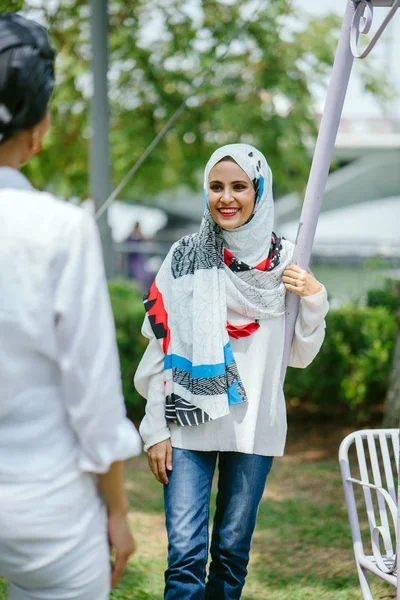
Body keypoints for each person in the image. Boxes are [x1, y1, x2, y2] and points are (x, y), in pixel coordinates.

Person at [134, 143, 329, 599]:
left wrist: (315, 299)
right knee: (183, 559)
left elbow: (297, 356)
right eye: (216, 186)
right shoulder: (184, 256)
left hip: (252, 426)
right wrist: (155, 429)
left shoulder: (287, 264)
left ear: (259, 191)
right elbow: (159, 350)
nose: (226, 197)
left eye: (239, 186)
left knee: (230, 555)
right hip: (186, 425)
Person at [0, 13, 142, 600]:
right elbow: (93, 395)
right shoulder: (62, 229)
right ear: (41, 127)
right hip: (47, 510)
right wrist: (117, 511)